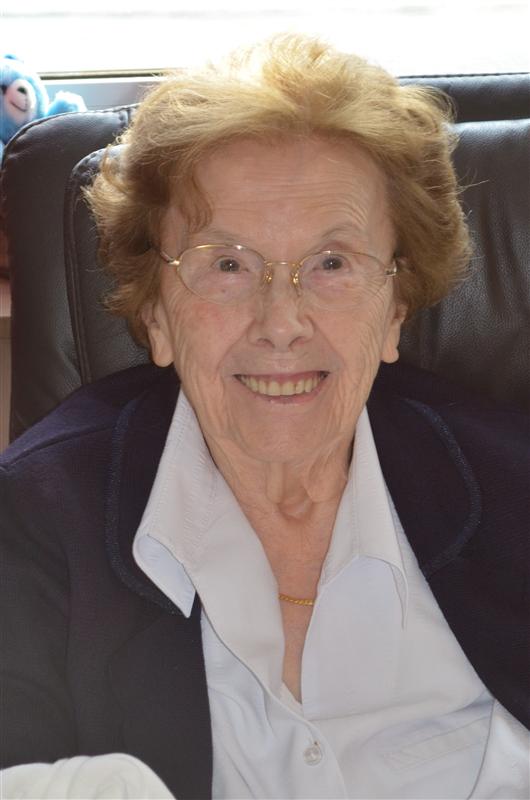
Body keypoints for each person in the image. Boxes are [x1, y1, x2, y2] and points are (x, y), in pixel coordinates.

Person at [1, 33, 528, 800]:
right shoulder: (34, 522)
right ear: (154, 312)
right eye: (227, 264)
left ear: (395, 309)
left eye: (332, 263)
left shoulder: (514, 489)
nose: (281, 323)